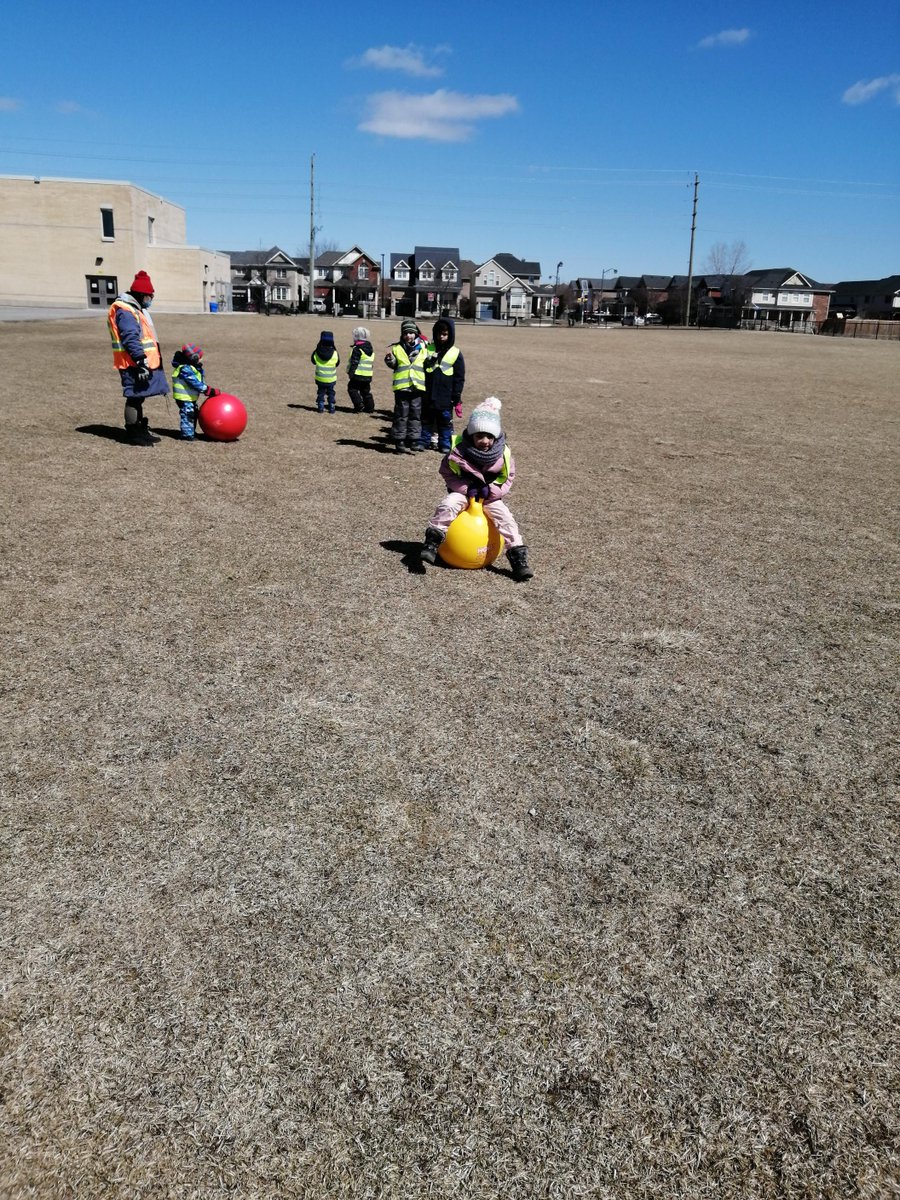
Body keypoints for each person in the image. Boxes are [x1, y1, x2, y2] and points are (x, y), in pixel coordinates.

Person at [419, 397, 534, 582]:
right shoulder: (458, 451)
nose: (484, 441)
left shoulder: (503, 454)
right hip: (463, 493)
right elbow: (447, 472)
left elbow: (508, 478)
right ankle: (432, 542)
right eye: (479, 435)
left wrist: (492, 491)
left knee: (506, 519)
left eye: (489, 436)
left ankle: (518, 558)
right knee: (448, 505)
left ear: (496, 436)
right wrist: (466, 488)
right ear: (471, 434)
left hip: (490, 497)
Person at [107, 270, 169, 446]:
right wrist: (141, 360)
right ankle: (133, 433)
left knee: (139, 396)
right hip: (132, 362)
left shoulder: (134, 308)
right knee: (134, 395)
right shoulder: (125, 311)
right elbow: (130, 337)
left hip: (138, 361)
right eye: (149, 296)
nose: (150, 299)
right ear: (142, 295)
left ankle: (140, 429)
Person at [419, 316, 465, 452]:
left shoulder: (456, 353)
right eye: (439, 334)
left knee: (445, 421)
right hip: (428, 393)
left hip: (445, 394)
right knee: (426, 419)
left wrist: (456, 395)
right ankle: (424, 441)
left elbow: (459, 376)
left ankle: (445, 443)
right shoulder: (428, 349)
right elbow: (420, 367)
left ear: (450, 335)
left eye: (445, 334)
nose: (441, 337)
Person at [384, 319, 428, 452]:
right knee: (401, 414)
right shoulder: (397, 348)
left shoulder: (423, 348)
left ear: (416, 334)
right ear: (402, 335)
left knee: (416, 413)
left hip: (417, 387)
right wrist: (390, 360)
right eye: (405, 333)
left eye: (411, 333)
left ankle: (414, 440)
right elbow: (394, 365)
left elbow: (427, 364)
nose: (408, 336)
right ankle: (399, 440)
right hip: (402, 387)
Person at [171, 344, 219, 441]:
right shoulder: (185, 368)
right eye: (198, 357)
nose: (200, 360)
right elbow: (195, 383)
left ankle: (191, 432)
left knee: (194, 413)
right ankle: (187, 435)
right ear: (193, 357)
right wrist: (208, 390)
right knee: (188, 414)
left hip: (189, 397)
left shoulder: (191, 367)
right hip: (184, 397)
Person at [346, 326, 375, 413]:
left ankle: (359, 404)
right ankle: (370, 407)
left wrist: (351, 373)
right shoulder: (370, 349)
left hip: (357, 374)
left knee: (352, 389)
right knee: (366, 391)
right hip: (368, 375)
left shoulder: (357, 349)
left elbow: (354, 362)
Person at [311, 330, 340, 413]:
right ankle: (331, 406)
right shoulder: (335, 353)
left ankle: (320, 405)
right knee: (331, 392)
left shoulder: (317, 352)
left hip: (320, 378)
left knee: (321, 392)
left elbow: (313, 361)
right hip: (331, 378)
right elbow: (337, 363)